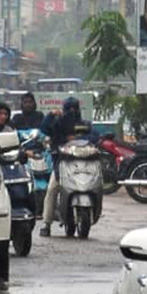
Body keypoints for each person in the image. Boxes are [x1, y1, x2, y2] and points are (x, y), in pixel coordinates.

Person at [39, 97, 93, 236]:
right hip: (62, 163)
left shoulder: (84, 124)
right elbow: (44, 128)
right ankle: (46, 223)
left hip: (84, 164)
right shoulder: (58, 124)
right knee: (52, 189)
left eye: (74, 108)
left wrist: (79, 139)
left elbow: (94, 136)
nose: (72, 112)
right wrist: (51, 114)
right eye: (69, 109)